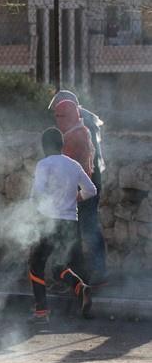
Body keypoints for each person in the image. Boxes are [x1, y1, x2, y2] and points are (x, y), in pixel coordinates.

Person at [27, 128, 97, 325]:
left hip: (51, 222)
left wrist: (36, 211)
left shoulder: (44, 164)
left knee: (36, 264)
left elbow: (37, 195)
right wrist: (76, 197)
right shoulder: (73, 165)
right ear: (62, 145)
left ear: (44, 146)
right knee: (58, 266)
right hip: (71, 224)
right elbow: (91, 190)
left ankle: (41, 312)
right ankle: (80, 287)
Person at [49, 90, 107, 283]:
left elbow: (80, 157)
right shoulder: (83, 120)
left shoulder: (81, 124)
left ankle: (93, 274)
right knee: (84, 227)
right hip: (88, 180)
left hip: (85, 181)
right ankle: (84, 274)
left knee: (86, 227)